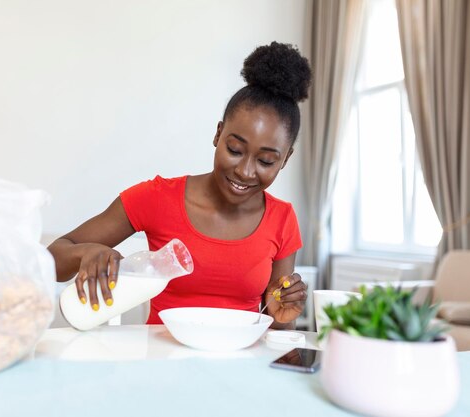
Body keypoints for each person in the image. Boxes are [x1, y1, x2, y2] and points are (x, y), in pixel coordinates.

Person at [48, 41, 312, 329]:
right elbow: (51, 258)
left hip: (240, 368)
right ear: (218, 134)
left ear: (285, 159)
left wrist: (281, 316)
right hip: (162, 364)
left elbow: (277, 325)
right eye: (235, 149)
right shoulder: (156, 198)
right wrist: (85, 252)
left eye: (265, 160)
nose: (245, 171)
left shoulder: (282, 219)